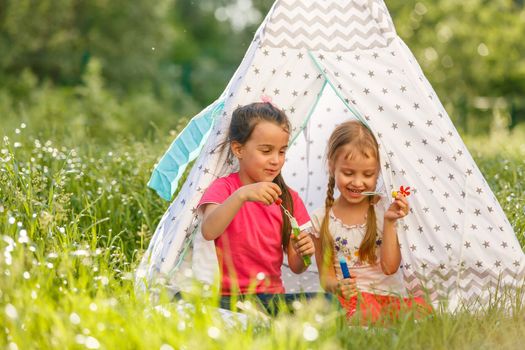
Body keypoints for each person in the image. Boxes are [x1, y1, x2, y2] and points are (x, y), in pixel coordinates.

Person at [198, 102, 315, 315]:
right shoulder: (225, 188)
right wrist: (243, 195)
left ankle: (258, 321)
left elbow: (297, 267)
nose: (276, 160)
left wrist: (303, 253)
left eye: (281, 151)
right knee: (183, 301)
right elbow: (209, 230)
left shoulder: (289, 199)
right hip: (227, 298)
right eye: (266, 151)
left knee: (327, 303)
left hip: (271, 299)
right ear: (238, 149)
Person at [312, 120, 431, 324]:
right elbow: (326, 278)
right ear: (332, 166)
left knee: (424, 308)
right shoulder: (321, 219)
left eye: (368, 175)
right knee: (363, 312)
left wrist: (390, 222)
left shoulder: (385, 208)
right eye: (348, 173)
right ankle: (372, 322)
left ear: (379, 172)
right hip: (352, 300)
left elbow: (390, 267)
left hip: (390, 298)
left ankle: (378, 321)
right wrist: (338, 287)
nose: (358, 183)